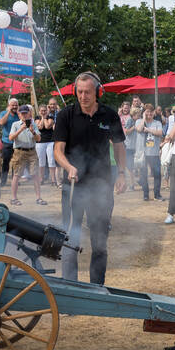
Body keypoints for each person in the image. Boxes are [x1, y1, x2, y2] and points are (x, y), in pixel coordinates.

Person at [54, 71, 126, 285]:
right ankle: (70, 288)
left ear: (98, 92)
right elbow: (58, 150)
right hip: (73, 186)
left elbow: (120, 147)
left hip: (101, 186)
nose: (83, 96)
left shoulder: (109, 115)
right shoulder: (66, 115)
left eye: (87, 92)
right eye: (79, 92)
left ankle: (97, 288)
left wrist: (121, 173)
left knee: (100, 241)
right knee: (69, 239)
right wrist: (68, 166)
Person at [8, 105, 46, 206]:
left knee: (35, 175)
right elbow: (11, 138)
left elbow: (38, 139)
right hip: (19, 152)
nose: (24, 115)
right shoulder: (15, 124)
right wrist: (21, 129)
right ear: (19, 114)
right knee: (17, 175)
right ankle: (14, 198)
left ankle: (38, 198)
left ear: (29, 113)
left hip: (32, 151)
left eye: (26, 113)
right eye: (22, 113)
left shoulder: (33, 123)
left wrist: (32, 131)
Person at [135, 104, 164, 201]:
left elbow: (160, 133)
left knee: (157, 174)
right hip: (142, 153)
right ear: (144, 112)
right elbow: (139, 129)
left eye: (151, 112)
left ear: (154, 113)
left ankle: (157, 194)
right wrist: (143, 118)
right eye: (147, 111)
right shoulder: (139, 121)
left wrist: (148, 130)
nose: (149, 113)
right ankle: (145, 194)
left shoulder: (157, 122)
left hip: (154, 152)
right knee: (143, 174)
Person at [0, 98, 20, 185]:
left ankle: (15, 181)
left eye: (16, 105)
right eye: (12, 105)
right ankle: (3, 181)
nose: (14, 106)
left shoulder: (19, 114)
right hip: (7, 141)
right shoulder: (3, 113)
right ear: (8, 106)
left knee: (16, 162)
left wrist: (18, 112)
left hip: (18, 141)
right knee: (6, 161)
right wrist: (8, 112)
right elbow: (1, 123)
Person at [35, 104, 57, 186]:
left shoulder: (50, 117)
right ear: (39, 111)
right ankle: (41, 179)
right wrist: (42, 119)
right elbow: (39, 127)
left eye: (45, 110)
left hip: (50, 141)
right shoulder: (37, 118)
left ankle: (53, 179)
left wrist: (44, 118)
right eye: (42, 111)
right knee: (41, 161)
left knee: (51, 161)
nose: (43, 112)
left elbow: (47, 126)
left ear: (47, 111)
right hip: (40, 142)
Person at [124, 107, 142, 190]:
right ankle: (131, 185)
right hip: (129, 146)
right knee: (130, 167)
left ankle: (137, 182)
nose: (139, 117)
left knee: (137, 166)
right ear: (133, 115)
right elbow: (126, 132)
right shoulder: (129, 120)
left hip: (137, 147)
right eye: (138, 115)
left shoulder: (139, 121)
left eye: (139, 115)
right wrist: (134, 127)